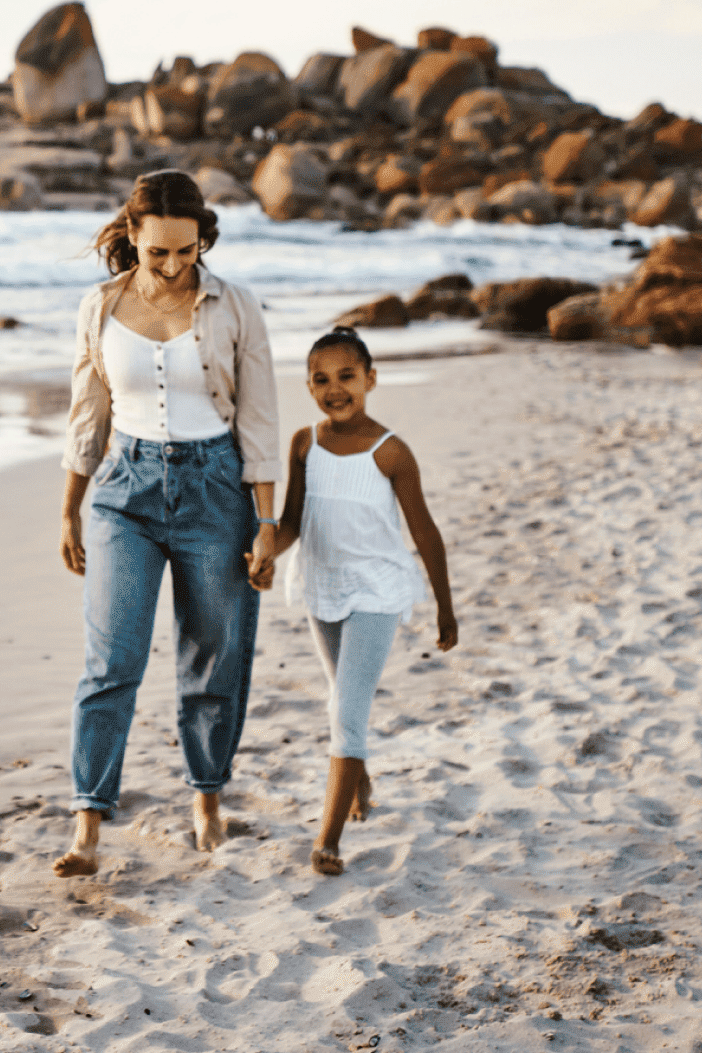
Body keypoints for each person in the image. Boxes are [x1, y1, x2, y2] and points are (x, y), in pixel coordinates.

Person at [53, 170, 280, 878]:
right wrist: (69, 505)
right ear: (133, 239)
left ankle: (207, 797)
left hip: (216, 489)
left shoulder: (235, 307)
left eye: (189, 251)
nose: (177, 266)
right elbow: (87, 413)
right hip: (124, 489)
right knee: (110, 661)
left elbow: (261, 418)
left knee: (214, 654)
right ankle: (88, 819)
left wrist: (267, 521)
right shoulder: (98, 306)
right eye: (160, 254)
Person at [257, 325, 459, 875]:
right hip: (322, 584)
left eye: (347, 376)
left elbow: (426, 533)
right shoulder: (304, 443)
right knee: (339, 698)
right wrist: (266, 550)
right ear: (308, 386)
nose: (335, 389)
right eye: (321, 380)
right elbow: (294, 521)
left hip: (377, 590)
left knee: (345, 712)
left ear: (371, 378)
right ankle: (358, 774)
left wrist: (444, 604)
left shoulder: (390, 452)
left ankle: (328, 840)